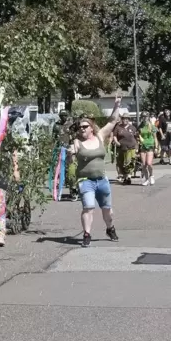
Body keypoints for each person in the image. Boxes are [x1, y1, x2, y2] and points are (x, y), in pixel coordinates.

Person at [67, 95, 122, 247]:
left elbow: (112, 122)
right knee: (88, 207)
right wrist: (70, 155)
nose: (82, 129)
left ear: (92, 127)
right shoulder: (77, 142)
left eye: (85, 127)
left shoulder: (99, 136)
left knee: (107, 211)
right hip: (86, 181)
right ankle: (86, 234)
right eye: (80, 127)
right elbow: (71, 159)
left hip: (102, 180)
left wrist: (117, 105)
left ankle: (110, 228)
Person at [112, 113, 137, 185]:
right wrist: (116, 142)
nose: (125, 120)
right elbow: (114, 135)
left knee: (129, 162)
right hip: (121, 148)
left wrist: (137, 147)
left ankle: (128, 176)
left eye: (126, 119)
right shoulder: (118, 127)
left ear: (129, 120)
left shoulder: (132, 128)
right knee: (121, 163)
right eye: (123, 118)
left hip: (131, 147)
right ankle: (125, 176)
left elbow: (136, 137)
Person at [137, 112, 158, 185]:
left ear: (148, 117)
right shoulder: (140, 126)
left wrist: (156, 147)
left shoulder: (151, 126)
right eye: (143, 116)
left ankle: (151, 175)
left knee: (149, 163)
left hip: (150, 145)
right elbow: (138, 136)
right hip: (143, 146)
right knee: (143, 164)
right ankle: (146, 179)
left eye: (146, 116)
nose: (144, 118)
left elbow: (155, 137)